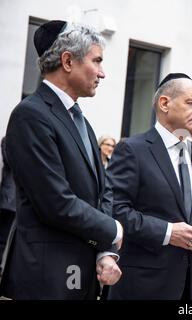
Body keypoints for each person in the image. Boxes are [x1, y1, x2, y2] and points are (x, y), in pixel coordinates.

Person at [1, 20, 123, 299]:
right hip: (48, 277)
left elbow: (102, 190)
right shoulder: (30, 115)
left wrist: (105, 251)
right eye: (97, 61)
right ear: (68, 61)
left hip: (81, 273)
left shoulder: (82, 121)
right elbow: (55, 202)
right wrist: (113, 229)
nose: (103, 73)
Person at [106, 73, 192, 300]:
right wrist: (168, 232)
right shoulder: (132, 150)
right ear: (165, 103)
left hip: (187, 282)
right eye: (191, 103)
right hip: (142, 285)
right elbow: (115, 210)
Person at [0, 137, 16, 266]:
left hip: (15, 204)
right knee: (2, 238)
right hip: (7, 202)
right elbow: (9, 160)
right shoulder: (7, 141)